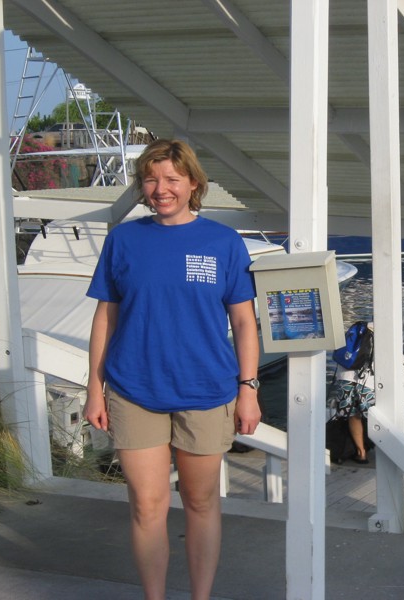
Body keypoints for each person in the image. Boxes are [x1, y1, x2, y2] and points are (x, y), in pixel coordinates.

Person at [83, 138, 261, 600]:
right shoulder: (124, 239)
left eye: (172, 180)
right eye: (151, 179)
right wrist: (94, 389)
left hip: (206, 390)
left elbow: (244, 322)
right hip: (133, 389)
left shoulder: (223, 242)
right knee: (147, 505)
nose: (160, 189)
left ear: (193, 184)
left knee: (201, 503)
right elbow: (106, 317)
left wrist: (249, 389)